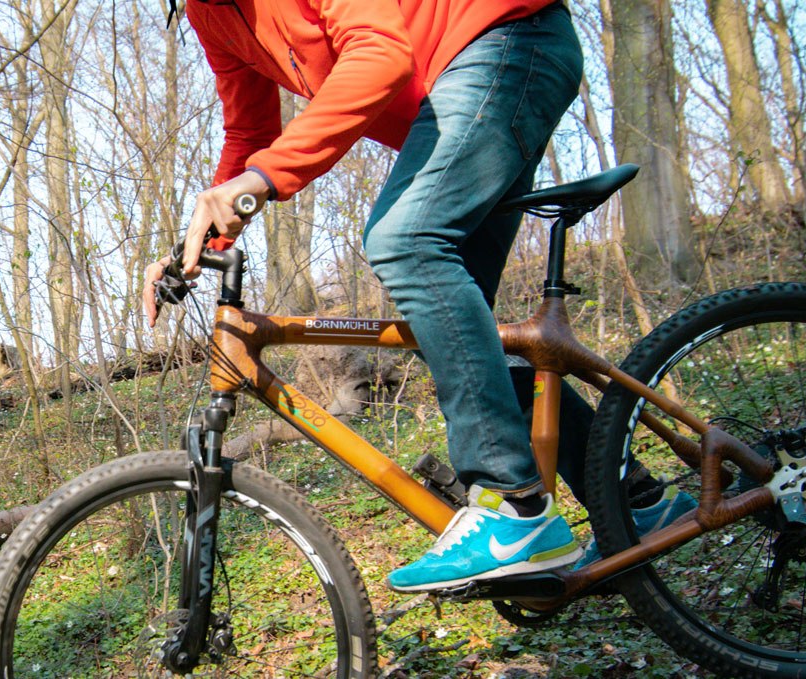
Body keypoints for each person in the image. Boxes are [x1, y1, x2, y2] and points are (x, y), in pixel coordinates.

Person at [141, 0, 692, 591]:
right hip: (458, 93)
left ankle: (517, 508)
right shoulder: (208, 14)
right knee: (454, 331)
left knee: (403, 242)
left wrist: (260, 181)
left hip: (505, 42)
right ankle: (634, 500)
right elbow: (251, 131)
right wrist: (204, 234)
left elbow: (380, 53)